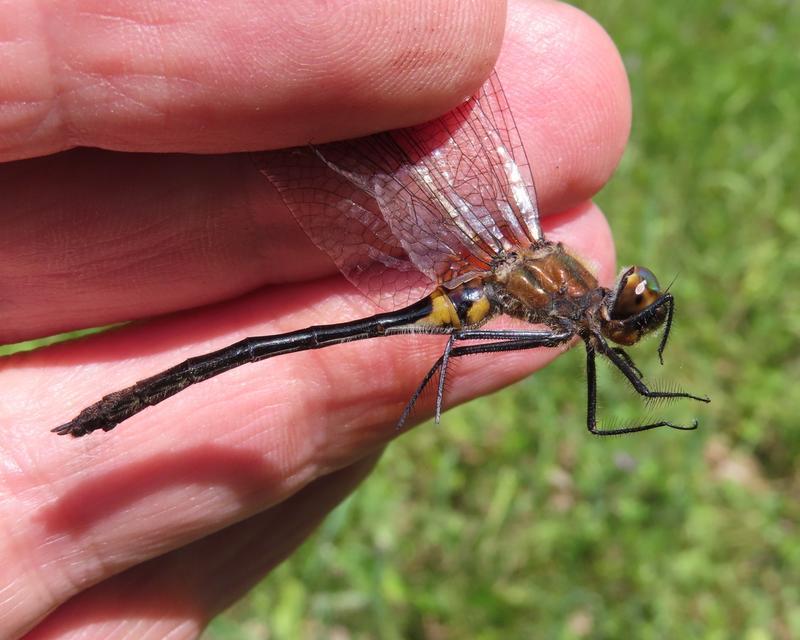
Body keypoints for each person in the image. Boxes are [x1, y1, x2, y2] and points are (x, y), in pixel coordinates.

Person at [0, 0, 631, 636]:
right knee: (257, 352)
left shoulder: (567, 303)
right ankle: (111, 412)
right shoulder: (560, 289)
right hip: (468, 294)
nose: (630, 316)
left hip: (471, 299)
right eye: (631, 306)